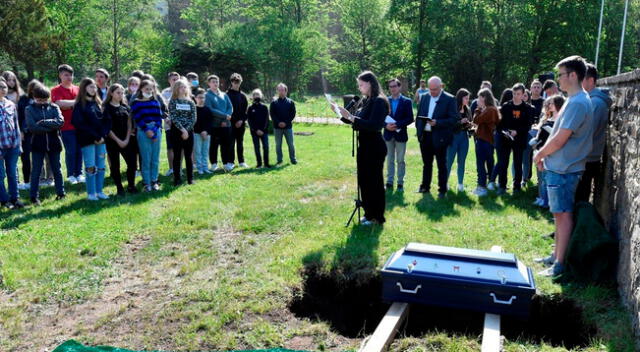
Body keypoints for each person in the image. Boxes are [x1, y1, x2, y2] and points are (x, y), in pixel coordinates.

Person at [533, 56, 594, 277]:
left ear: (573, 75)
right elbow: (557, 134)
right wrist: (543, 156)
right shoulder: (573, 99)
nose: (558, 78)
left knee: (563, 215)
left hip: (565, 170)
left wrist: (539, 154)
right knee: (558, 214)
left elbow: (560, 139)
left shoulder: (578, 102)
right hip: (560, 167)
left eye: (561, 74)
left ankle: (559, 264)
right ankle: (555, 255)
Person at [336, 71, 389, 225]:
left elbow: (374, 125)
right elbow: (353, 120)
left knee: (375, 182)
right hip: (364, 145)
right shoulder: (366, 100)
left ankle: (377, 217)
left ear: (370, 83)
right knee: (364, 181)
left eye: (361, 85)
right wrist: (340, 112)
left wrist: (352, 117)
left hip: (374, 146)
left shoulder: (379, 101)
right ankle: (368, 212)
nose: (359, 88)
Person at [415, 76, 457, 198]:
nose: (432, 92)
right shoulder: (424, 97)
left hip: (440, 136)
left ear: (441, 86)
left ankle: (442, 190)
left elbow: (454, 119)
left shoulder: (449, 99)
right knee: (426, 163)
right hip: (425, 136)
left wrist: (438, 122)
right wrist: (419, 133)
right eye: (430, 89)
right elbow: (419, 115)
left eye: (435, 89)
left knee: (441, 164)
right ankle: (425, 187)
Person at [574, 63, 611, 203]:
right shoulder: (590, 100)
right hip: (584, 157)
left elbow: (586, 132)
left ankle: (579, 224)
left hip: (586, 159)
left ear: (590, 80)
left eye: (581, 79)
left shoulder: (595, 103)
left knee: (580, 198)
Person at [25, 83, 65, 205]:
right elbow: (32, 127)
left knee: (57, 169)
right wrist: (51, 127)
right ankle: (34, 196)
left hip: (54, 143)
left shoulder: (54, 108)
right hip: (37, 144)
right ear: (34, 97)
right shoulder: (29, 109)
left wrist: (43, 122)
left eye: (44, 100)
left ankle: (61, 193)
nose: (42, 102)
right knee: (36, 171)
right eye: (39, 100)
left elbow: (60, 122)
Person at [493, 83, 535, 194]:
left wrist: (517, 132)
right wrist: (506, 131)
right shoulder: (506, 106)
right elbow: (499, 124)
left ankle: (517, 187)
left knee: (517, 163)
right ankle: (502, 186)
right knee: (503, 163)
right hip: (505, 139)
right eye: (514, 93)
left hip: (519, 139)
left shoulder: (528, 108)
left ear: (523, 95)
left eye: (518, 94)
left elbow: (528, 125)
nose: (516, 96)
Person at [72, 78, 110, 201]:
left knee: (101, 166)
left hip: (101, 140)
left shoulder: (98, 104)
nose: (93, 89)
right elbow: (80, 124)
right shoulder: (79, 106)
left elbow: (106, 121)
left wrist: (102, 135)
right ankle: (91, 193)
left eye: (94, 87)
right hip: (88, 140)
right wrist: (95, 136)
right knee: (91, 166)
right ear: (84, 89)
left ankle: (99, 191)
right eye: (90, 87)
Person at [530, 95, 564, 208]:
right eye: (549, 104)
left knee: (547, 178)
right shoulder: (547, 118)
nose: (549, 106)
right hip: (540, 148)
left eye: (552, 104)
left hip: (551, 152)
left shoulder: (561, 120)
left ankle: (546, 201)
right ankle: (542, 198)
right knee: (541, 177)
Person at [52, 64, 83, 184]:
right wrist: (76, 102)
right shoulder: (56, 90)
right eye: (66, 75)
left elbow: (82, 102)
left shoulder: (78, 89)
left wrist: (70, 103)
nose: (69, 77)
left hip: (79, 126)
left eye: (71, 75)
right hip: (66, 126)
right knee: (71, 150)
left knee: (79, 150)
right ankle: (71, 175)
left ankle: (79, 173)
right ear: (60, 76)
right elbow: (59, 104)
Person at [103, 84, 137, 195]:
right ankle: (119, 187)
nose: (120, 95)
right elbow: (107, 127)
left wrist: (126, 139)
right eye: (118, 92)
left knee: (132, 163)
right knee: (115, 165)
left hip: (127, 140)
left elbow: (129, 124)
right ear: (111, 93)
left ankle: (131, 186)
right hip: (112, 141)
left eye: (122, 93)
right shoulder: (106, 108)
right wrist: (118, 141)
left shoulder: (125, 107)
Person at [131, 80, 164, 192]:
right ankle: (146, 183)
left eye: (151, 89)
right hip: (143, 131)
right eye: (146, 89)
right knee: (146, 159)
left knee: (155, 159)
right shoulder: (136, 103)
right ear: (141, 89)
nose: (149, 91)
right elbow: (138, 118)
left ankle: (154, 181)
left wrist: (154, 131)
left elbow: (159, 119)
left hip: (156, 131)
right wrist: (147, 130)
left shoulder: (155, 102)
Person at [383, 78, 414, 191]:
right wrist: (385, 126)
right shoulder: (385, 100)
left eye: (394, 86)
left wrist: (397, 125)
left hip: (400, 135)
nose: (392, 88)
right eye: (390, 86)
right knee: (389, 159)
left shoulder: (407, 101)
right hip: (388, 134)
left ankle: (400, 182)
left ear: (399, 87)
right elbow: (380, 117)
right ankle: (389, 181)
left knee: (400, 160)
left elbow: (410, 118)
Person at [471, 88, 500, 197]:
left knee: (481, 164)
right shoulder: (492, 109)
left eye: (479, 97)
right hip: (488, 140)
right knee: (489, 162)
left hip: (484, 140)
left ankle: (482, 186)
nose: (477, 99)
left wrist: (478, 109)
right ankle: (491, 182)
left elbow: (476, 120)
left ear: (484, 97)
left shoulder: (489, 110)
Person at [0, 78, 24, 209]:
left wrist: (18, 144)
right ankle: (4, 200)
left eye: (4, 87)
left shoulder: (11, 105)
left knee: (12, 173)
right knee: (0, 175)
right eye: (0, 87)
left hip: (12, 146)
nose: (3, 89)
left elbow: (16, 126)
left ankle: (15, 199)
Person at [168, 79, 196, 185]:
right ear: (176, 89)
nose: (183, 89)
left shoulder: (191, 102)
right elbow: (174, 117)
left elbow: (193, 118)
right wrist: (182, 130)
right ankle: (177, 179)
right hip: (177, 131)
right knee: (177, 156)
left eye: (184, 87)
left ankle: (190, 179)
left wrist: (187, 130)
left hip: (189, 132)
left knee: (188, 156)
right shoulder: (173, 101)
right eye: (180, 87)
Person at [205, 75, 234, 172]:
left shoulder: (224, 94)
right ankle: (213, 164)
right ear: (209, 83)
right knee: (214, 145)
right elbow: (210, 109)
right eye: (213, 81)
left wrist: (226, 119)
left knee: (226, 145)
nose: (215, 83)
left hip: (226, 124)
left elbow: (230, 107)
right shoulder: (207, 95)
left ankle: (226, 163)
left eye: (216, 81)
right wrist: (225, 116)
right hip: (214, 125)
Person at [446, 88, 472, 192]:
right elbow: (449, 125)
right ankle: (445, 183)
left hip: (464, 138)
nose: (467, 100)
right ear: (460, 98)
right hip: (453, 138)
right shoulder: (452, 109)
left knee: (462, 161)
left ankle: (460, 184)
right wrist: (460, 122)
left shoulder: (468, 109)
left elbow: (469, 122)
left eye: (468, 98)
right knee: (449, 161)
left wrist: (470, 125)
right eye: (466, 98)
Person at [17, 80, 38, 191]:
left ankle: (37, 180)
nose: (35, 91)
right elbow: (19, 117)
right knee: (25, 159)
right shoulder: (23, 100)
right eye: (33, 88)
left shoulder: (42, 100)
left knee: (37, 158)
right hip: (26, 134)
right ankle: (27, 181)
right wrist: (20, 131)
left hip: (39, 134)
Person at [270, 83, 297, 165]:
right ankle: (279, 160)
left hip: (288, 127)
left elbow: (293, 114)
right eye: (279, 90)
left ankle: (293, 159)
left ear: (286, 91)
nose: (281, 92)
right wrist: (279, 122)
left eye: (283, 90)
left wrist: (286, 122)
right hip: (277, 128)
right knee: (278, 145)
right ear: (277, 91)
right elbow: (272, 114)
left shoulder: (290, 102)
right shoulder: (274, 103)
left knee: (291, 144)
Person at [227, 73, 249, 168]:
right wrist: (235, 121)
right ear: (231, 82)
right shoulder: (226, 95)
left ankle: (241, 161)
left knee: (240, 142)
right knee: (231, 143)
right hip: (230, 123)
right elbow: (226, 109)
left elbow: (246, 111)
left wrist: (241, 121)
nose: (237, 84)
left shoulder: (243, 96)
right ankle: (230, 162)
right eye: (235, 82)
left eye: (239, 82)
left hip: (241, 123)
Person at [161, 72, 180, 177]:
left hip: (181, 125)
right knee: (170, 147)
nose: (176, 81)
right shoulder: (164, 93)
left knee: (180, 147)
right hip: (169, 125)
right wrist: (167, 119)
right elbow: (162, 109)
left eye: (177, 79)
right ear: (169, 81)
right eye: (174, 79)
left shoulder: (183, 91)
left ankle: (179, 168)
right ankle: (172, 168)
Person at [247, 89, 270, 168]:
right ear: (252, 97)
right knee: (257, 148)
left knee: (266, 147)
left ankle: (266, 164)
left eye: (258, 95)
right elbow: (249, 121)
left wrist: (263, 130)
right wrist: (256, 130)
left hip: (264, 131)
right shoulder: (250, 108)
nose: (256, 96)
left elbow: (267, 120)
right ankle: (259, 164)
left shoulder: (264, 107)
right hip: (254, 132)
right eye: (255, 95)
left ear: (261, 96)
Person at [193, 88, 213, 174]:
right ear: (195, 98)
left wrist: (206, 131)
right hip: (197, 134)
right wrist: (201, 131)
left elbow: (210, 122)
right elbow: (194, 122)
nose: (201, 99)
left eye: (203, 97)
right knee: (198, 151)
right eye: (199, 97)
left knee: (205, 151)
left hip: (207, 134)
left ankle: (205, 167)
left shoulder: (207, 109)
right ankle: (200, 168)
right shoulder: (194, 109)